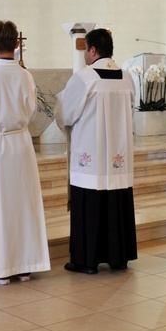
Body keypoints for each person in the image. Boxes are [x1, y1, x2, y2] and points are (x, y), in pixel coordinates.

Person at [0, 20, 50, 285]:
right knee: (23, 204)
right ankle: (25, 266)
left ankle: (0, 268)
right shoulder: (26, 75)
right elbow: (33, 112)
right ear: (16, 44)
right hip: (21, 144)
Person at [55, 28, 137, 274]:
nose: (84, 56)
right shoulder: (126, 77)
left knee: (90, 205)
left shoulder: (84, 78)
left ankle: (86, 260)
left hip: (89, 160)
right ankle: (118, 257)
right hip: (117, 158)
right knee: (116, 203)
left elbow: (66, 114)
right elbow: (131, 111)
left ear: (93, 50)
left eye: (85, 50)